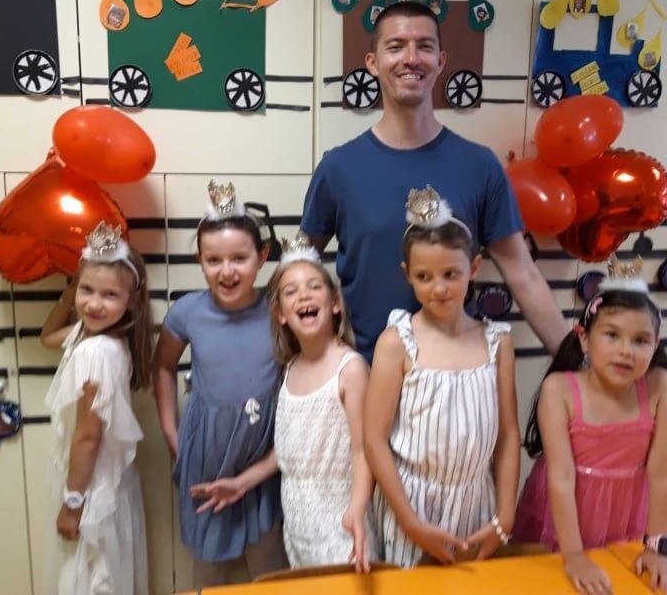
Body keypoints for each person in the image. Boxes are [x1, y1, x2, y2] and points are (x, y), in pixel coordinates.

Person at [300, 1, 568, 363]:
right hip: (363, 374)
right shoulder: (338, 168)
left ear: (441, 61)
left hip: (454, 377)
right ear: (373, 62)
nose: (411, 58)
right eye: (396, 46)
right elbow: (298, 267)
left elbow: (524, 276)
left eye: (424, 46)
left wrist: (577, 363)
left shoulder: (480, 166)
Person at [363, 186, 520, 567]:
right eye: (424, 276)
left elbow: (508, 435)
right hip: (409, 508)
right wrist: (409, 522)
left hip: (476, 507)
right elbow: (374, 439)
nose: (439, 288)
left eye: (451, 274)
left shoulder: (497, 343)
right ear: (408, 275)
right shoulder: (397, 343)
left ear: (474, 268)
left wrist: (505, 515)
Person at [153, 180, 288, 588]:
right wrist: (171, 432)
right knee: (208, 572)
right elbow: (163, 367)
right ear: (200, 259)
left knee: (269, 567)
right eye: (214, 260)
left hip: (262, 457)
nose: (227, 271)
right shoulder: (186, 312)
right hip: (207, 457)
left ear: (261, 256)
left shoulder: (279, 309)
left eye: (239, 258)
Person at [515, 258, 667, 595]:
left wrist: (657, 547)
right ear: (584, 339)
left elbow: (661, 474)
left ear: (655, 345)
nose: (626, 351)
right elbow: (561, 477)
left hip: (628, 513)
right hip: (564, 514)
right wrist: (573, 555)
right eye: (612, 335)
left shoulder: (660, 386)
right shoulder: (559, 390)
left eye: (640, 340)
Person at [40, 221, 153, 595]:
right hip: (110, 491)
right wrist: (68, 296)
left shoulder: (94, 352)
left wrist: (73, 504)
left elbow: (88, 437)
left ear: (132, 300)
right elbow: (47, 336)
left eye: (109, 294)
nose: (93, 303)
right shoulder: (101, 339)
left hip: (93, 497)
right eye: (86, 289)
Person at [267, 233, 377, 571]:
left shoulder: (350, 369)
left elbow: (363, 449)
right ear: (281, 314)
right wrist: (241, 482)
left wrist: (356, 509)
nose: (304, 295)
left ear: (335, 303)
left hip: (341, 525)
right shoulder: (289, 369)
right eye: (291, 291)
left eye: (314, 286)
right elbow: (289, 452)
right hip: (298, 527)